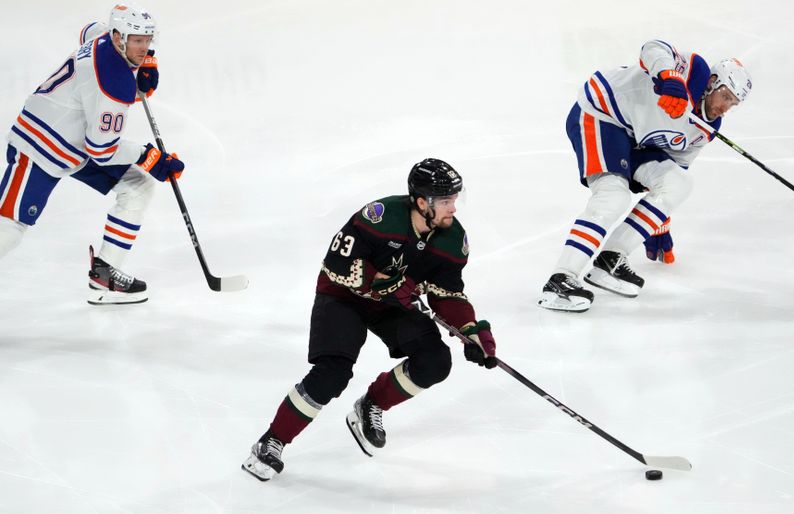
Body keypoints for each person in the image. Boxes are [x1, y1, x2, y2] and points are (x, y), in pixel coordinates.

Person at [242, 158, 497, 481]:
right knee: (332, 372)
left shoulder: (451, 239)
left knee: (435, 360)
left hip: (390, 303)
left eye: (454, 200)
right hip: (342, 296)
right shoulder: (379, 217)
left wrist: (470, 330)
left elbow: (447, 292)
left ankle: (370, 405)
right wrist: (381, 281)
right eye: (446, 201)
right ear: (422, 202)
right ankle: (271, 441)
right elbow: (336, 263)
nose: (453, 209)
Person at [538, 40, 752, 312]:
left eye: (733, 104)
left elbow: (675, 165)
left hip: (637, 139)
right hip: (602, 113)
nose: (725, 107)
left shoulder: (706, 127)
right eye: (726, 97)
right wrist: (668, 78)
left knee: (678, 183)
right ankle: (560, 279)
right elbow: (652, 48)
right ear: (712, 82)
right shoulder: (693, 71)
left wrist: (658, 218)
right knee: (613, 195)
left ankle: (609, 261)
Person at [0, 3, 184, 305]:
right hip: (40, 145)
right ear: (118, 37)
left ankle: (105, 275)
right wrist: (150, 158)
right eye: (137, 41)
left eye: (147, 40)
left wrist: (146, 61)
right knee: (9, 227)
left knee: (137, 186)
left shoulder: (104, 38)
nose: (143, 46)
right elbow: (103, 150)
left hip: (75, 143)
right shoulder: (114, 82)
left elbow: (89, 29)